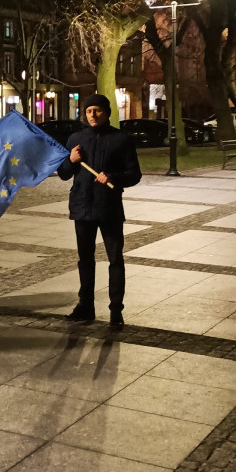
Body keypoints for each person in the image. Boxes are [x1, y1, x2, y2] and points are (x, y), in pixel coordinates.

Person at [57, 94, 142, 328]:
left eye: (97, 111)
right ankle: (86, 306)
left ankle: (116, 310)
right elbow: (64, 173)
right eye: (88, 111)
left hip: (109, 209)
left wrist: (113, 177)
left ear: (107, 112)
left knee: (115, 259)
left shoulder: (122, 139)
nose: (93, 115)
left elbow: (134, 174)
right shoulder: (75, 138)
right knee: (85, 260)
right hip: (82, 207)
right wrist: (72, 160)